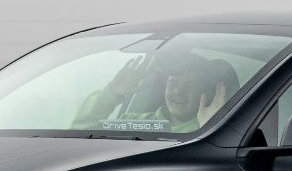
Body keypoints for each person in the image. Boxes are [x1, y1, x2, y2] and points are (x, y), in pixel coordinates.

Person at [74, 52, 235, 133]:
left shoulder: (210, 130)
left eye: (191, 85)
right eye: (173, 83)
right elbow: (81, 135)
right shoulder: (131, 122)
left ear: (207, 93)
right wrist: (113, 92)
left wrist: (209, 128)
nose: (178, 91)